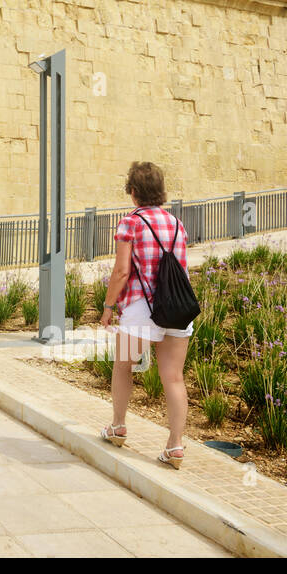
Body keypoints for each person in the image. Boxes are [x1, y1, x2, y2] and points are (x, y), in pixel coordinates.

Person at [98, 161, 191, 469]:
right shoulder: (177, 225)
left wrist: (108, 308)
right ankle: (175, 446)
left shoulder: (131, 223)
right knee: (173, 377)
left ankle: (119, 426)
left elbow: (123, 271)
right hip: (178, 308)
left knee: (123, 366)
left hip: (140, 309)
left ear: (134, 191)